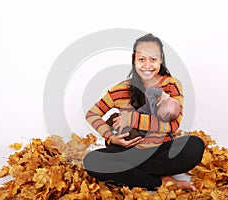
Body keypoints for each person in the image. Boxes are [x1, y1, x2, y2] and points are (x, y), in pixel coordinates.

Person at [83, 33, 205, 191]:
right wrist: (112, 138)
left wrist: (132, 120)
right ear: (134, 59)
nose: (147, 65)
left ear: (161, 59)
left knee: (194, 145)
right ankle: (161, 182)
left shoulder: (171, 85)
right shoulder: (120, 89)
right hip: (128, 151)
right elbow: (92, 114)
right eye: (142, 59)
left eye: (153, 59)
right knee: (92, 161)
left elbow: (173, 125)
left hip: (161, 150)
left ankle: (130, 174)